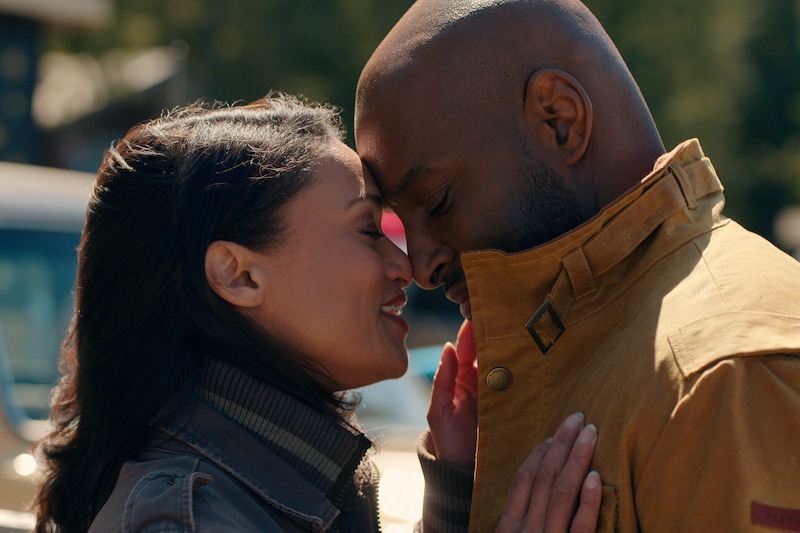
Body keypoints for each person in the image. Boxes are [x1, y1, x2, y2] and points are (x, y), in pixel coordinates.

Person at [32, 94, 600, 532]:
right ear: (239, 275)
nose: (407, 268)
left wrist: (454, 484)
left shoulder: (262, 486)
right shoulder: (187, 519)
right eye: (367, 230)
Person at [354, 0, 800, 531]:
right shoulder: (574, 350)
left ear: (560, 120)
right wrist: (458, 497)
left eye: (437, 201)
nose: (422, 267)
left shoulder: (724, 375)